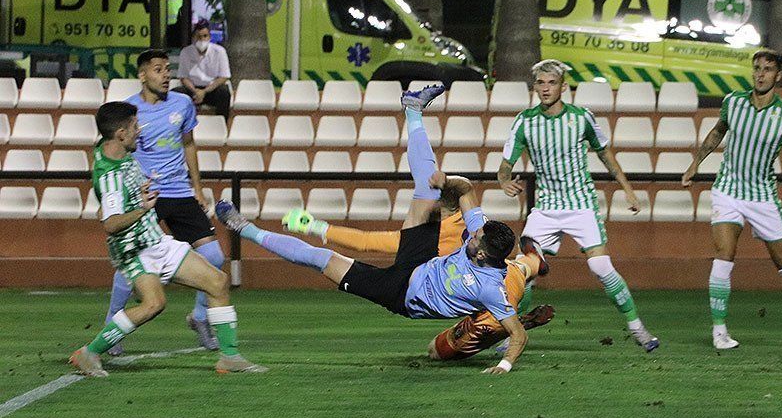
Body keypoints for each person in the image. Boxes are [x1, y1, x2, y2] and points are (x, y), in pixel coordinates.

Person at [217, 85, 529, 373]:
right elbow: (465, 189)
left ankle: (247, 231)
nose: (471, 235)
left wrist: (503, 366)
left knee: (321, 259)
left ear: (485, 255)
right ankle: (414, 110)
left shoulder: (491, 288)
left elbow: (518, 334)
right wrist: (445, 182)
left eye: (475, 239)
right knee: (427, 187)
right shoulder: (483, 232)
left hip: (401, 294)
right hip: (420, 262)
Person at [69, 102, 265, 377]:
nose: (141, 131)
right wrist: (143, 208)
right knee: (153, 305)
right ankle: (89, 353)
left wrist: (139, 194)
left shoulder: (114, 151)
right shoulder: (110, 176)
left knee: (217, 282)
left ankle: (229, 357)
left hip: (154, 240)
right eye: (136, 127)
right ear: (122, 134)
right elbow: (111, 224)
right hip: (134, 250)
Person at [497, 59, 659, 352]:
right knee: (522, 271)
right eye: (541, 83)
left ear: (563, 87)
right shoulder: (525, 121)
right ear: (535, 87)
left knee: (601, 266)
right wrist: (504, 180)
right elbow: (505, 165)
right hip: (546, 207)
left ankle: (638, 329)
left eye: (551, 82)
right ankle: (513, 334)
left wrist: (628, 190)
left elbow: (606, 155)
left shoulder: (581, 117)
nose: (546, 88)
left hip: (580, 204)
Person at [280, 198, 556, 361]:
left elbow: (368, 242)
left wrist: (316, 227)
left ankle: (517, 322)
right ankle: (534, 262)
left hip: (487, 293)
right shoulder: (475, 226)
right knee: (519, 270)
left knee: (436, 351)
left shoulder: (437, 233)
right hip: (504, 278)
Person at [682, 48, 782, 350]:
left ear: (779, 75)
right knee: (724, 252)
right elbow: (717, 132)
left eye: (768, 69)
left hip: (762, 196)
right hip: (728, 190)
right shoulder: (733, 102)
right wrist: (696, 163)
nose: (761, 74)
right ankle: (719, 331)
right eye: (757, 68)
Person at [103, 49, 229, 355]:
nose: (165, 74)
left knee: (214, 256)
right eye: (158, 70)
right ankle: (112, 328)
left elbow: (189, 144)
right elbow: (117, 153)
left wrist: (197, 187)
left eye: (167, 69)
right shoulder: (129, 111)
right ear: (143, 74)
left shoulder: (183, 104)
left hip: (179, 192)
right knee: (129, 265)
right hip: (147, 196)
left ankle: (200, 317)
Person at [174, 20, 232, 119]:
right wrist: (196, 91)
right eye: (198, 37)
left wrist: (204, 91)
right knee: (175, 93)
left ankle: (221, 125)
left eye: (205, 36)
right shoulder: (186, 52)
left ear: (209, 37)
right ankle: (179, 126)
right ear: (193, 38)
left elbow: (223, 77)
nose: (202, 39)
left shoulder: (219, 51)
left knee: (224, 93)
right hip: (193, 89)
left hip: (211, 89)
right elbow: (183, 77)